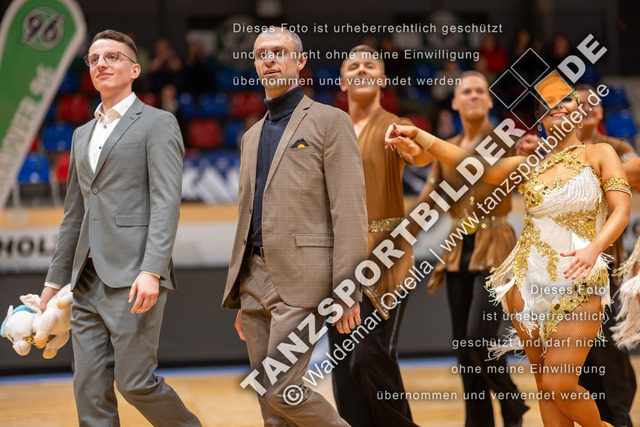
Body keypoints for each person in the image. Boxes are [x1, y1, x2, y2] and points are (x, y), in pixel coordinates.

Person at [386, 73, 630, 427]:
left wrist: (594, 248)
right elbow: (470, 165)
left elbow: (621, 211)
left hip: (581, 278)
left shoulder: (600, 153)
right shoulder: (529, 164)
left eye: (566, 101)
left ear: (579, 112)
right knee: (544, 385)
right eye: (548, 105)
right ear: (541, 120)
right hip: (527, 283)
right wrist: (421, 135)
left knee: (559, 383)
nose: (558, 107)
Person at [39, 30, 201, 426]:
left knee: (135, 383)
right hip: (84, 280)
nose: (101, 64)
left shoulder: (158, 123)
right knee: (89, 387)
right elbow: (74, 215)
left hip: (133, 275)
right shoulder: (81, 135)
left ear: (134, 69)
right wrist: (54, 281)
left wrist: (152, 270)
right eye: (94, 59)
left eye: (112, 57)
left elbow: (166, 202)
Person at [221, 27, 367, 426]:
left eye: (279, 52)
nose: (269, 60)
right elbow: (247, 218)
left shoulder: (331, 122)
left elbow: (349, 210)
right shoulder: (250, 137)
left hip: (305, 278)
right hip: (253, 280)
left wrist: (348, 289)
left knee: (279, 389)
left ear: (299, 62)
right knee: (271, 410)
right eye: (261, 54)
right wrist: (243, 291)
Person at [411, 71, 529, 427]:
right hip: (456, 249)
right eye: (467, 91)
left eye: (481, 91)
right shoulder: (444, 147)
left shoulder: (507, 139)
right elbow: (429, 199)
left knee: (478, 340)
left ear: (490, 100)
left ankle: (512, 403)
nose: (474, 96)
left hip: (497, 246)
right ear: (455, 102)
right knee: (464, 350)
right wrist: (399, 238)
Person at [327, 44, 431, 427]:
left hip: (386, 254)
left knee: (369, 355)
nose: (361, 70)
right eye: (353, 65)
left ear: (383, 79)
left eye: (370, 65)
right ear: (342, 81)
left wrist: (412, 148)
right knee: (344, 365)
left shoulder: (395, 125)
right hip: (338, 255)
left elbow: (420, 155)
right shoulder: (329, 129)